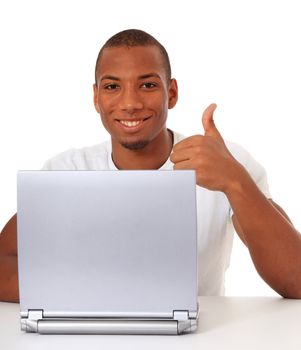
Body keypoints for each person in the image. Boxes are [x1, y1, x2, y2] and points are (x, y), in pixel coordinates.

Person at [1, 29, 301, 303]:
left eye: (147, 84)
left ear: (171, 93)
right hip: (89, 332)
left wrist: (234, 181)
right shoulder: (65, 170)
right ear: (96, 97)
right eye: (112, 86)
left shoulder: (224, 161)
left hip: (200, 337)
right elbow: (4, 260)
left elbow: (296, 280)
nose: (130, 102)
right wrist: (96, 295)